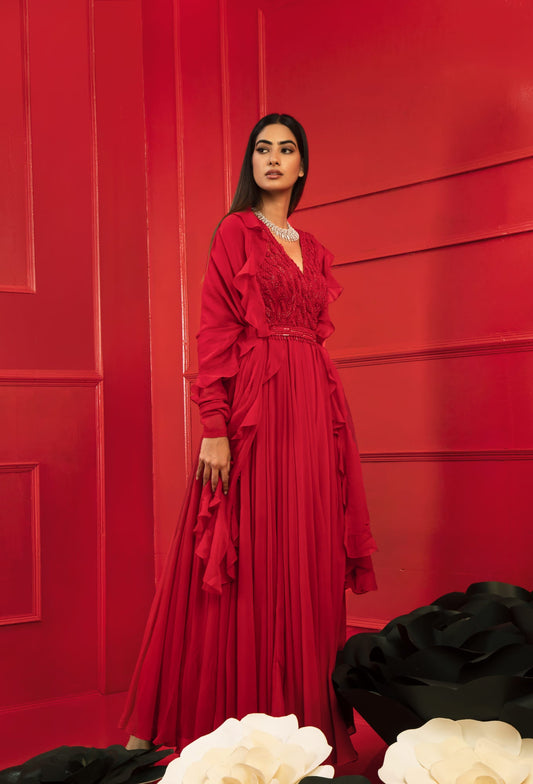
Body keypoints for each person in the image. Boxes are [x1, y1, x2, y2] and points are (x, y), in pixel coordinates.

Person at [120, 113, 377, 765]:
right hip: (256, 404)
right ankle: (208, 714)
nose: (272, 158)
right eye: (261, 148)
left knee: (307, 550)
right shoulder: (236, 231)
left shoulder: (313, 247)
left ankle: (304, 723)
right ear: (251, 164)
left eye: (285, 149)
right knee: (244, 552)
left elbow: (314, 333)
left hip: (313, 408)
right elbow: (212, 331)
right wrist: (214, 425)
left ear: (300, 167)